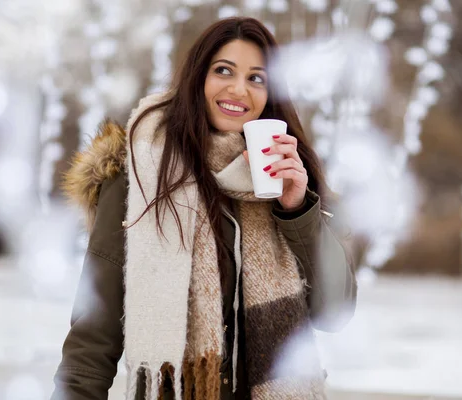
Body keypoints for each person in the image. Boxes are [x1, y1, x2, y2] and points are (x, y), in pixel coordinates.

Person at [52, 17, 356, 400]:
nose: (238, 89)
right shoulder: (141, 176)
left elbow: (335, 312)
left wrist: (297, 210)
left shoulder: (290, 180)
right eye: (223, 71)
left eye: (256, 78)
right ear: (198, 78)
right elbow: (93, 336)